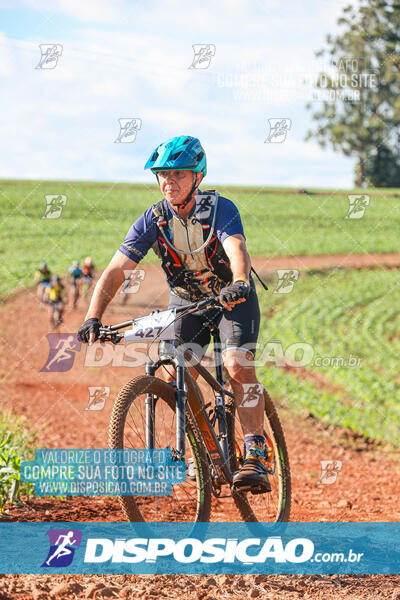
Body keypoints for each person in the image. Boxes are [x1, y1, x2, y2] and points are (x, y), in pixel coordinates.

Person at [78, 135, 271, 493]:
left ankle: (256, 448)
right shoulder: (154, 219)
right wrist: (93, 316)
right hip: (187, 301)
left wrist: (241, 281)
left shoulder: (219, 208)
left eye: (179, 174)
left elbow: (236, 247)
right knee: (172, 370)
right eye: (163, 175)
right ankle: (207, 451)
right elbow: (117, 270)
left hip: (232, 298)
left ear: (197, 176)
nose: (169, 181)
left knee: (236, 365)